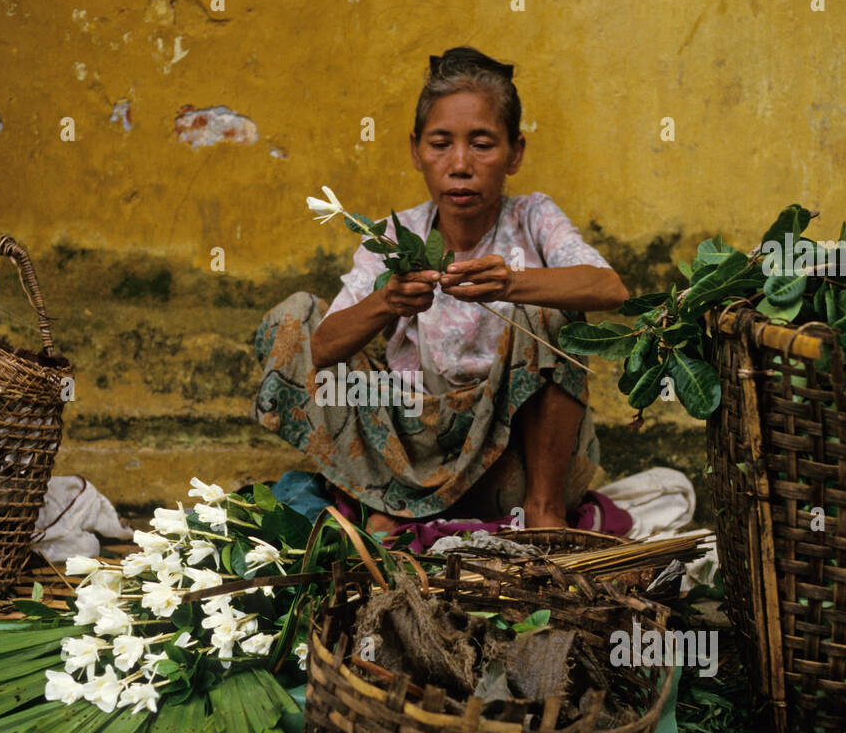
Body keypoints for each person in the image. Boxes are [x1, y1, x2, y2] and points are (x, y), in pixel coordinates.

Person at [252, 46, 627, 533]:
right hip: (408, 456)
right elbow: (320, 349)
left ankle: (544, 514)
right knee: (295, 317)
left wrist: (514, 283)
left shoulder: (532, 218)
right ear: (415, 150)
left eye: (483, 144)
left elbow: (610, 287)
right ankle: (387, 494)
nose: (460, 164)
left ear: (515, 153)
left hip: (509, 469)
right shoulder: (393, 235)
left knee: (549, 307)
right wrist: (387, 301)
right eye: (441, 144)